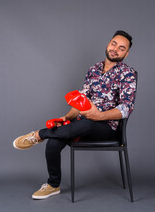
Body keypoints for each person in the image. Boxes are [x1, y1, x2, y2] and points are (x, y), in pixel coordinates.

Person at [13, 30, 137, 200]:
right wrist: (67, 118)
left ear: (126, 53)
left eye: (121, 48)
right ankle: (53, 185)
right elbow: (81, 100)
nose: (115, 49)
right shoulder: (93, 69)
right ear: (109, 43)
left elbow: (126, 107)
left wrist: (99, 116)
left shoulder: (127, 73)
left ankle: (38, 135)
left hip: (107, 127)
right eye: (114, 44)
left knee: (85, 123)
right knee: (55, 141)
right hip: (82, 123)